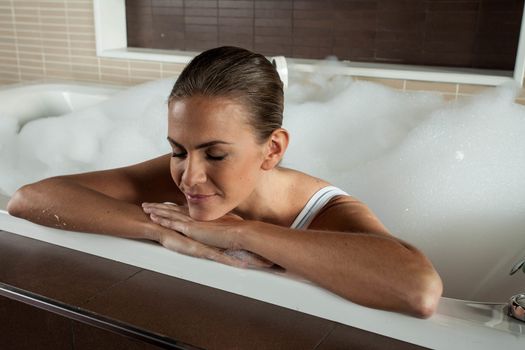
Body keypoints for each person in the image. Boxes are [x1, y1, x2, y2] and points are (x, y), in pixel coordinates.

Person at [7, 46, 442, 318]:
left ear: (272, 150)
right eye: (178, 150)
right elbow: (30, 199)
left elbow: (418, 290)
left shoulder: (327, 211)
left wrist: (238, 231)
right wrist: (163, 231)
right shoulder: (179, 174)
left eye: (216, 154)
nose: (189, 176)